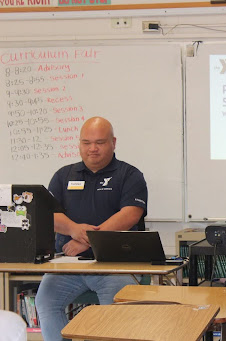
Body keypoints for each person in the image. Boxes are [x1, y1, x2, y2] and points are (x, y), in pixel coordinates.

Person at [35, 117, 148, 341]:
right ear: (79, 144)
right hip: (69, 266)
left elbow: (130, 215)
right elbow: (48, 215)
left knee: (114, 315)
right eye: (86, 142)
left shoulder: (130, 175)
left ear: (113, 142)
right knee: (45, 301)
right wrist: (75, 230)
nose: (92, 148)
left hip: (115, 265)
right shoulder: (63, 175)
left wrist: (87, 240)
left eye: (100, 142)